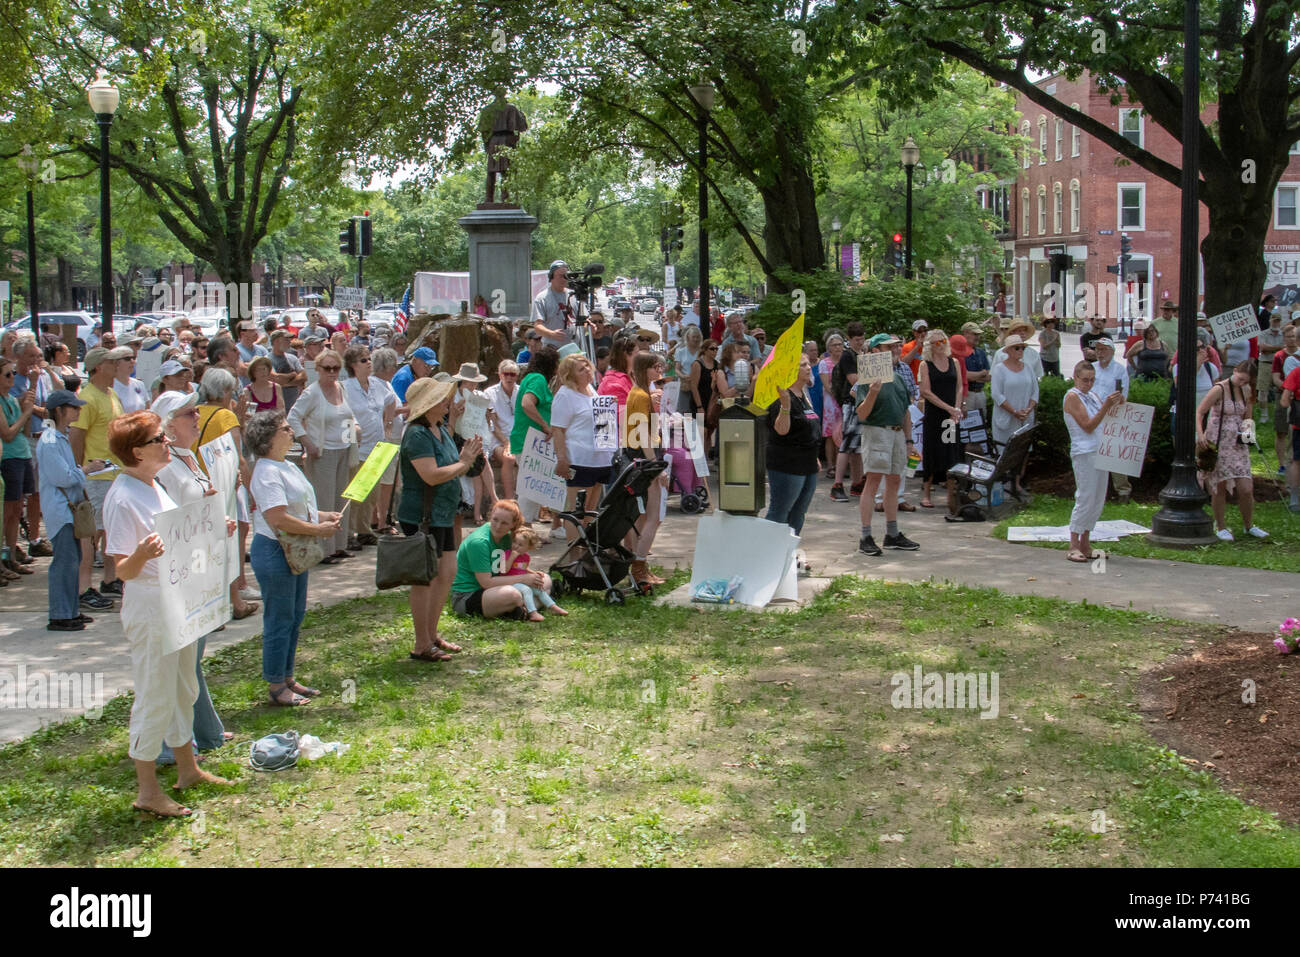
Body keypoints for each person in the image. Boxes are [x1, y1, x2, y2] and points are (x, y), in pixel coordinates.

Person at [104, 410, 234, 816]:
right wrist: (141, 553)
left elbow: (179, 538)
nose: (167, 442)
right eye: (158, 438)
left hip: (177, 600)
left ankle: (187, 769)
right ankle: (147, 790)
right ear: (137, 451)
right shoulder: (123, 496)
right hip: (151, 606)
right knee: (154, 694)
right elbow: (122, 569)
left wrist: (216, 528)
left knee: (183, 689)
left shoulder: (153, 484)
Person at [151, 390, 235, 762]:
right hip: (178, 570)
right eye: (189, 413)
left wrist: (219, 521)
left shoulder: (187, 459)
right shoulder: (165, 466)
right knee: (179, 659)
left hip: (199, 565)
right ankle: (171, 744)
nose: (198, 417)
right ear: (169, 424)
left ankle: (205, 731)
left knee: (194, 656)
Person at [245, 410, 342, 705]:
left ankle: (287, 675)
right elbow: (278, 518)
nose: (291, 432)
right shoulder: (266, 472)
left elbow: (298, 506)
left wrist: (324, 516)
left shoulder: (285, 465)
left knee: (295, 616)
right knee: (279, 618)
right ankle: (276, 685)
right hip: (276, 551)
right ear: (269, 438)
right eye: (285, 429)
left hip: (295, 550)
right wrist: (318, 530)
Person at [400, 378, 481, 661]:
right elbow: (432, 475)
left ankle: (432, 635)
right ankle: (421, 644)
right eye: (442, 398)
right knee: (425, 579)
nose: (447, 401)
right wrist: (464, 463)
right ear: (428, 405)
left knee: (446, 574)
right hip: (422, 517)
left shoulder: (439, 429)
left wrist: (464, 456)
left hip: (442, 514)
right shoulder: (417, 435)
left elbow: (449, 463)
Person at [194, 368, 259, 618]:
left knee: (203, 549)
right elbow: (238, 459)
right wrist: (253, 491)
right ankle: (234, 602)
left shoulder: (195, 413)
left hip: (198, 484)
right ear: (224, 391)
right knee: (229, 545)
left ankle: (208, 603)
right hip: (223, 486)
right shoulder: (226, 417)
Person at [286, 348, 357, 563]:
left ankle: (339, 545)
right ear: (317, 369)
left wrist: (355, 433)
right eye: (327, 368)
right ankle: (323, 550)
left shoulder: (341, 388)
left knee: (342, 498)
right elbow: (293, 418)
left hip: (344, 449)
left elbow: (349, 416)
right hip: (322, 452)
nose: (332, 372)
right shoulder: (312, 392)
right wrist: (307, 442)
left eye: (336, 368)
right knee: (324, 500)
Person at [853, 334, 920, 556]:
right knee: (872, 481)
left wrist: (909, 440)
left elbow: (906, 413)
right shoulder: (867, 376)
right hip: (877, 431)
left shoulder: (898, 377)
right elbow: (862, 414)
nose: (895, 349)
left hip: (897, 434)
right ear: (875, 351)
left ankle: (892, 534)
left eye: (896, 346)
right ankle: (865, 536)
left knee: (894, 481)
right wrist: (872, 392)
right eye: (888, 347)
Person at [70, 347, 124, 603]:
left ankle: (110, 579)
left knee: (111, 529)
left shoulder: (111, 393)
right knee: (93, 533)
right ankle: (83, 587)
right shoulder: (88, 397)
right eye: (112, 362)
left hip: (114, 474)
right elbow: (77, 435)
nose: (117, 365)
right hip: (95, 477)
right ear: (99, 366)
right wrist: (80, 471)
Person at [1195, 361, 1267, 541]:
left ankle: (1248, 525)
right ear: (1235, 371)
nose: (1242, 383)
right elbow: (1200, 412)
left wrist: (1248, 434)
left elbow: (1248, 416)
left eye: (1246, 381)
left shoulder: (1246, 390)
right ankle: (1220, 526)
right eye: (1241, 379)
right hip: (1219, 441)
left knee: (1246, 487)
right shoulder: (1219, 388)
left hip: (1237, 445)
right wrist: (1200, 434)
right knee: (1219, 486)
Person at [36, 390, 90, 629]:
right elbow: (63, 477)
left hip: (68, 510)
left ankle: (70, 611)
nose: (78, 410)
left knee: (72, 560)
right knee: (65, 562)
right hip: (60, 510)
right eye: (73, 407)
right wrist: (86, 471)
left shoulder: (60, 437)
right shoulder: (49, 440)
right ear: (59, 411)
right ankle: (60, 615)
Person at [452, 499, 557, 621]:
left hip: (497, 586)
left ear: (513, 524)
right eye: (495, 520)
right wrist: (524, 578)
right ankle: (533, 604)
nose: (498, 526)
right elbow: (486, 583)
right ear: (490, 516)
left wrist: (532, 575)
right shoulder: (479, 542)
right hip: (468, 596)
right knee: (513, 595)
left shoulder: (507, 538)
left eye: (504, 523)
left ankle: (521, 609)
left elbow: (511, 568)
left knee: (545, 579)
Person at [1063, 361, 1127, 562]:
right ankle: (1073, 543)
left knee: (1098, 498)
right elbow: (1088, 425)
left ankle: (1086, 542)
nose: (1088, 384)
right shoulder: (1072, 396)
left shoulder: (1092, 395)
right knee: (1085, 496)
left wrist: (1117, 403)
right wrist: (1106, 406)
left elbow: (1106, 417)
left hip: (1100, 451)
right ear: (1075, 377)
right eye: (1085, 380)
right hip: (1085, 452)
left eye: (1092, 380)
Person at [550, 354, 608, 543]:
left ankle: (587, 549)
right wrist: (562, 459)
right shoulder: (565, 395)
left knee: (591, 508)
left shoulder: (592, 389)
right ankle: (574, 554)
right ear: (570, 374)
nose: (587, 371)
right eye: (581, 369)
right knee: (576, 510)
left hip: (600, 459)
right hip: (578, 459)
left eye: (588, 366)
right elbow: (558, 429)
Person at [342, 344, 395, 547]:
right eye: (363, 360)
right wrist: (350, 440)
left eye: (369, 359)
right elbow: (344, 415)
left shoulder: (376, 384)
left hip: (379, 446)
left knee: (371, 494)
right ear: (352, 365)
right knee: (355, 493)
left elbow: (392, 401)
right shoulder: (346, 387)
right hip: (359, 448)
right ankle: (348, 534)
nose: (369, 363)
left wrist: (388, 425)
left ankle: (364, 530)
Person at [625, 352, 670, 586]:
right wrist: (657, 468)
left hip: (638, 458)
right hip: (644, 460)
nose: (659, 371)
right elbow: (643, 435)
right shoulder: (641, 396)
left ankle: (639, 565)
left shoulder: (637, 393)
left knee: (643, 518)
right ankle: (639, 567)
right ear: (645, 369)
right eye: (655, 367)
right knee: (654, 517)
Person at [763, 354, 820, 535]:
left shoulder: (803, 393)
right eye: (803, 365)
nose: (808, 367)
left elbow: (808, 429)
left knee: (799, 512)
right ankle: (765, 553)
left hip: (808, 463)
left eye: (808, 364)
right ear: (791, 371)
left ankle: (789, 552)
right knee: (780, 511)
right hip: (787, 464)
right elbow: (781, 430)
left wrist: (815, 457)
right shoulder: (781, 395)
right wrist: (785, 406)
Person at [917, 329, 964, 517]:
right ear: (930, 346)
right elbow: (925, 392)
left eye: (943, 341)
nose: (941, 345)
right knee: (932, 451)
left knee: (950, 450)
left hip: (951, 416)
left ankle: (950, 494)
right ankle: (926, 492)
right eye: (936, 342)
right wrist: (948, 408)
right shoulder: (925, 365)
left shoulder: (954, 362)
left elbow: (959, 387)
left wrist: (956, 409)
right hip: (935, 415)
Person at [0, 357, 37, 579]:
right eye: (7, 374)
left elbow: (24, 431)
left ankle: (11, 557)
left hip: (22, 456)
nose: (13, 377)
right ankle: (4, 558)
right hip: (9, 459)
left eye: (13, 373)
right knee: (7, 512)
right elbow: (8, 433)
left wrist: (26, 409)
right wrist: (26, 413)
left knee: (16, 511)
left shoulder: (12, 399)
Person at [989, 334, 1038, 499]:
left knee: (1022, 452)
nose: (1020, 350)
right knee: (1005, 453)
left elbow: (1035, 391)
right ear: (1008, 350)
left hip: (1025, 418)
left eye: (1022, 348)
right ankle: (1001, 486)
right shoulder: (999, 369)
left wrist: (1028, 409)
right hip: (1006, 419)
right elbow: (997, 395)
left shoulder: (1028, 368)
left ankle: (1016, 485)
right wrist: (1014, 411)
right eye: (1017, 348)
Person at [450, 362, 497, 523]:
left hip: (477, 436)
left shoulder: (481, 396)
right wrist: (459, 408)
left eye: (474, 381)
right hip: (458, 437)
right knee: (479, 465)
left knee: (480, 461)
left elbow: (488, 418)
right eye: (469, 381)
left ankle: (483, 507)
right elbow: (452, 418)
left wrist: (488, 415)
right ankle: (487, 504)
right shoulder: (453, 395)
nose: (472, 384)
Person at [829, 323, 868, 501]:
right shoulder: (847, 357)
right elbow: (854, 380)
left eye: (862, 339)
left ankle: (857, 482)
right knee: (846, 445)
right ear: (850, 339)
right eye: (857, 339)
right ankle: (837, 485)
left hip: (859, 403)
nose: (860, 342)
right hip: (851, 403)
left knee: (857, 447)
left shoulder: (862, 355)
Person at [370, 347, 404, 532]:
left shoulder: (387, 383)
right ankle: (382, 522)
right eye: (393, 366)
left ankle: (380, 519)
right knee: (385, 483)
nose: (396, 369)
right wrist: (406, 410)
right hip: (385, 440)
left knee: (388, 482)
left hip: (392, 439)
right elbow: (382, 410)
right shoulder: (375, 384)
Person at [500, 526, 567, 621]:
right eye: (514, 542)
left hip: (521, 581)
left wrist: (534, 572)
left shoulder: (525, 557)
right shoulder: (506, 554)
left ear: (529, 547)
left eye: (520, 544)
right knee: (527, 590)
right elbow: (503, 570)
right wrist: (511, 557)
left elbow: (523, 568)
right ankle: (532, 613)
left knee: (538, 589)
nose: (516, 546)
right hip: (509, 582)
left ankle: (553, 607)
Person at [485, 359, 520, 501]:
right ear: (500, 375)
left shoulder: (522, 391)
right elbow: (492, 425)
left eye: (513, 374)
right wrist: (506, 443)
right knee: (509, 458)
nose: (509, 377)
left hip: (519, 437)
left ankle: (538, 504)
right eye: (506, 374)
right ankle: (510, 499)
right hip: (499, 440)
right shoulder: (489, 393)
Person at [1272, 324, 1299, 476]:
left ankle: (1294, 461)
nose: (1292, 339)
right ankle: (1282, 465)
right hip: (1283, 395)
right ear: (1284, 338)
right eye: (1288, 336)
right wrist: (1288, 388)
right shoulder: (1279, 356)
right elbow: (1275, 377)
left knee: (1294, 431)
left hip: (1297, 397)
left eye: (1294, 336)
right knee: (1281, 431)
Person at [818, 333, 844, 479]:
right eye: (834, 345)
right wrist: (838, 395)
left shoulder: (845, 361)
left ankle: (841, 466)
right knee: (830, 435)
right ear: (829, 347)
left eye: (840, 344)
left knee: (841, 433)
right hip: (831, 403)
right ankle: (831, 465)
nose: (838, 347)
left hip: (843, 401)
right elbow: (826, 385)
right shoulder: (824, 363)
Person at [532, 261, 575, 346]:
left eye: (566, 276)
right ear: (551, 277)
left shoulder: (574, 296)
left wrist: (589, 327)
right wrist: (551, 334)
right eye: (560, 276)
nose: (564, 279)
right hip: (552, 349)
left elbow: (583, 321)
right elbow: (537, 326)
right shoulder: (542, 298)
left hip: (574, 347)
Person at [1278, 355, 1300, 513]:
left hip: (1298, 424)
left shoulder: (1297, 373)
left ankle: (1295, 497)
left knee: (1296, 461)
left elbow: (1284, 402)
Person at [235, 355, 284, 425]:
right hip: (257, 428)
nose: (262, 372)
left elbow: (281, 411)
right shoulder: (247, 391)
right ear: (253, 373)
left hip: (275, 426)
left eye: (264, 369)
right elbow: (249, 416)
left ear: (268, 370)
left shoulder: (276, 387)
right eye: (258, 370)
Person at [269, 329, 306, 411]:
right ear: (276, 341)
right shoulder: (267, 360)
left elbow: (304, 376)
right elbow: (276, 379)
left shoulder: (292, 358)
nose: (289, 342)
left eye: (289, 339)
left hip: (294, 405)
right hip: (277, 406)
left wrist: (285, 383)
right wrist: (292, 375)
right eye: (286, 339)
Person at [597, 337, 636, 409]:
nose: (639, 357)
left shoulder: (632, 375)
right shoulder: (614, 383)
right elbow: (621, 416)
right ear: (625, 355)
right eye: (636, 353)